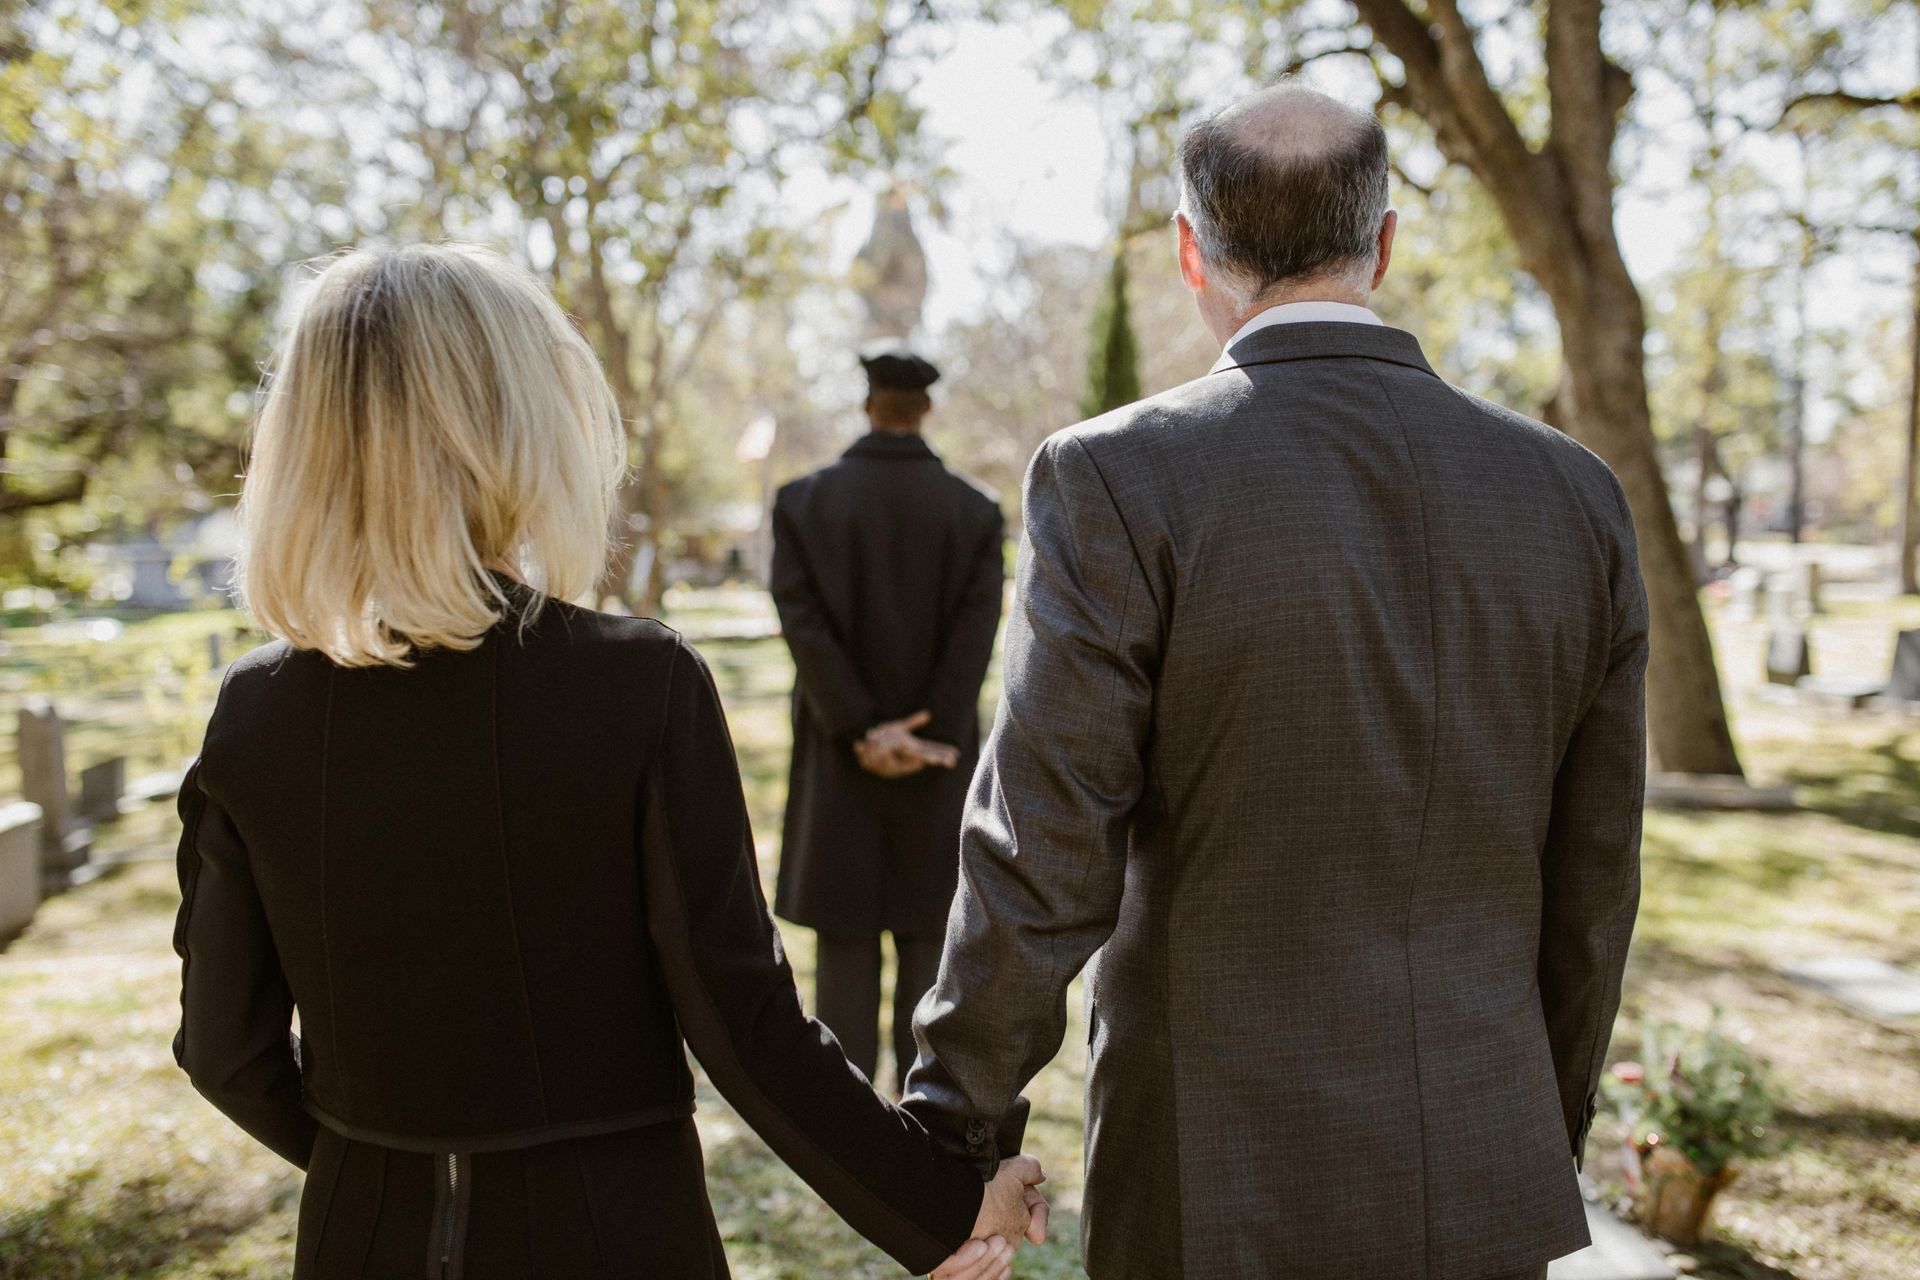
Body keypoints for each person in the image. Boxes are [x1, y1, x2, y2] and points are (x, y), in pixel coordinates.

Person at [169, 244, 1044, 1280]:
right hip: (617, 1233)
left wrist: (382, 1160)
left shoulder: (253, 710)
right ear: (516, 425)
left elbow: (224, 1047)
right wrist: (942, 1203)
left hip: (361, 1234)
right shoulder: (638, 683)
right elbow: (744, 1023)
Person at [904, 83, 1648, 1280]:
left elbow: (1042, 847)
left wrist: (956, 1130)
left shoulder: (1117, 477)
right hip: (1481, 1161)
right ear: (1387, 244)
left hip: (1216, 1177)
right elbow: (1597, 875)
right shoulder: (1576, 494)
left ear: (1194, 251)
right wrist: (1528, 1126)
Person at [768, 346, 1005, 1091]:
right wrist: (920, 733)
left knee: (843, 949)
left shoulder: (802, 501)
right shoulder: (974, 511)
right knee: (930, 944)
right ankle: (920, 1120)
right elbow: (976, 637)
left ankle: (847, 1133)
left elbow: (802, 623)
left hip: (843, 760)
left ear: (869, 405)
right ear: (925, 409)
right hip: (935, 764)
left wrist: (862, 727)